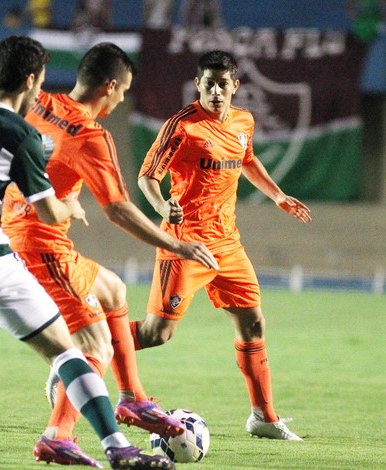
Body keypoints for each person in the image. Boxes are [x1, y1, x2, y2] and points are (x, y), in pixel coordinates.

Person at [0, 35, 175, 470]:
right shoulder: (24, 131)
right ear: (29, 80)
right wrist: (73, 206)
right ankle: (109, 446)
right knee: (71, 351)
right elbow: (54, 208)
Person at [1, 42, 219, 465]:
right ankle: (57, 435)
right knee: (95, 344)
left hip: (16, 232)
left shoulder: (39, 102)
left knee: (115, 292)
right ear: (111, 86)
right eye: (123, 93)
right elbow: (118, 209)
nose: (121, 101)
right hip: (41, 247)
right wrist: (177, 243)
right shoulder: (90, 135)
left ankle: (132, 398)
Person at [132, 50, 311, 441]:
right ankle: (79, 357)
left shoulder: (244, 121)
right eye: (208, 83)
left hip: (228, 244)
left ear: (235, 87)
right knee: (155, 334)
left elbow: (247, 160)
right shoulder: (181, 127)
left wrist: (277, 195)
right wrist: (164, 206)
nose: (215, 91)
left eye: (222, 84)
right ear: (197, 85)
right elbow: (148, 178)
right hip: (184, 244)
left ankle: (263, 417)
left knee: (253, 323)